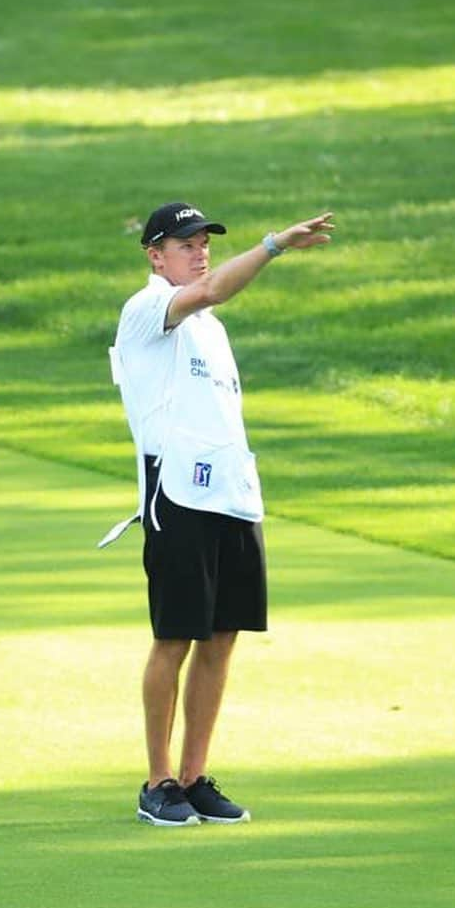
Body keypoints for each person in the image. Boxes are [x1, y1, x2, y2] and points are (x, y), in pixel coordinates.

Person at [102, 201, 334, 826]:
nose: (198, 250)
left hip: (231, 494)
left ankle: (194, 775)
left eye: (203, 241)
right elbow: (210, 290)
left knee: (223, 635)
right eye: (185, 243)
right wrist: (274, 245)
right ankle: (157, 782)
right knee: (175, 637)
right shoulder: (147, 307)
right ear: (155, 254)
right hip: (177, 492)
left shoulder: (212, 328)